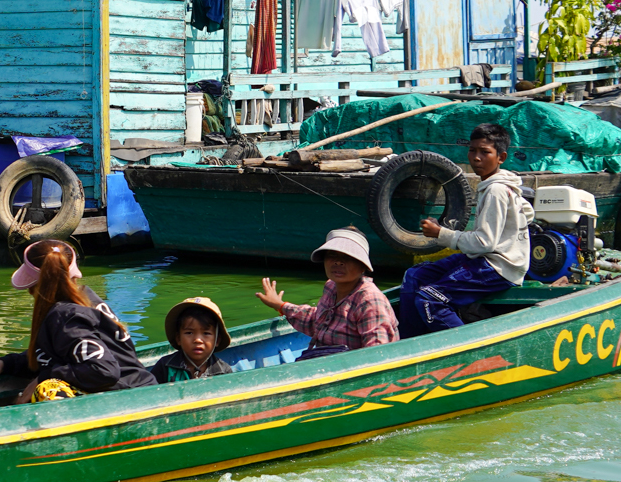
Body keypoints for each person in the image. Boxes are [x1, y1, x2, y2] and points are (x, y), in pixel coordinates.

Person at [0, 239, 155, 401]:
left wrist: (44, 377)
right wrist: (6, 364)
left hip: (127, 397)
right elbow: (60, 352)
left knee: (48, 389)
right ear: (73, 273)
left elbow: (104, 370)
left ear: (33, 288)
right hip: (141, 387)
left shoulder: (65, 316)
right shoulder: (85, 298)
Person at [396, 123, 534, 337]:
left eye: (485, 152)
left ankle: (469, 347)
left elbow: (484, 243)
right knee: (414, 275)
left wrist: (440, 233)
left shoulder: (496, 190)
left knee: (429, 299)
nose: (476, 157)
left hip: (499, 267)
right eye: (472, 150)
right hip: (481, 258)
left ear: (501, 157)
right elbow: (529, 213)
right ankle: (409, 340)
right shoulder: (499, 185)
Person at [256, 227, 399, 357]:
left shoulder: (369, 300)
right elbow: (317, 322)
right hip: (324, 362)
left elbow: (379, 353)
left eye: (347, 257)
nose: (338, 262)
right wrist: (280, 305)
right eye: (332, 255)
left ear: (363, 266)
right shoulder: (331, 287)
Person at [150, 297, 235, 382]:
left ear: (217, 340)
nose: (198, 340)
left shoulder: (223, 371)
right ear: (178, 338)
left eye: (206, 333)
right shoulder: (165, 366)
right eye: (189, 333)